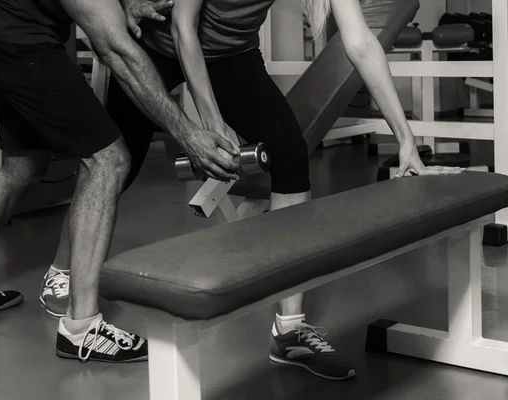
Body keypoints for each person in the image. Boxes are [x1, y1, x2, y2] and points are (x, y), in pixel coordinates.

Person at [40, 0, 464, 377]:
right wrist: (207, 118)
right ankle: (62, 272)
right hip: (159, 47)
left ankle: (290, 332)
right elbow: (184, 26)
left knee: (291, 157)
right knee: (115, 164)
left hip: (231, 54)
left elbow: (360, 43)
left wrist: (405, 139)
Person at [0, 0, 243, 364]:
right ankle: (82, 329)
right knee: (108, 160)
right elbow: (116, 51)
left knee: (23, 165)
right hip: (22, 45)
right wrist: (187, 133)